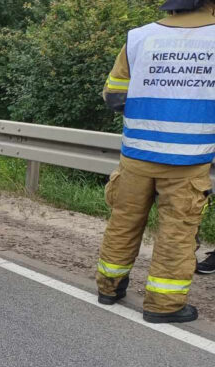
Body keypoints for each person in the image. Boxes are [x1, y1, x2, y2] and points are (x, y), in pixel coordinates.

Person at [96, 0, 215, 323]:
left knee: (124, 220)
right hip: (189, 160)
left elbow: (113, 95)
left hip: (137, 153)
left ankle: (109, 287)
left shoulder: (139, 37)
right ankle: (164, 306)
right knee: (177, 232)